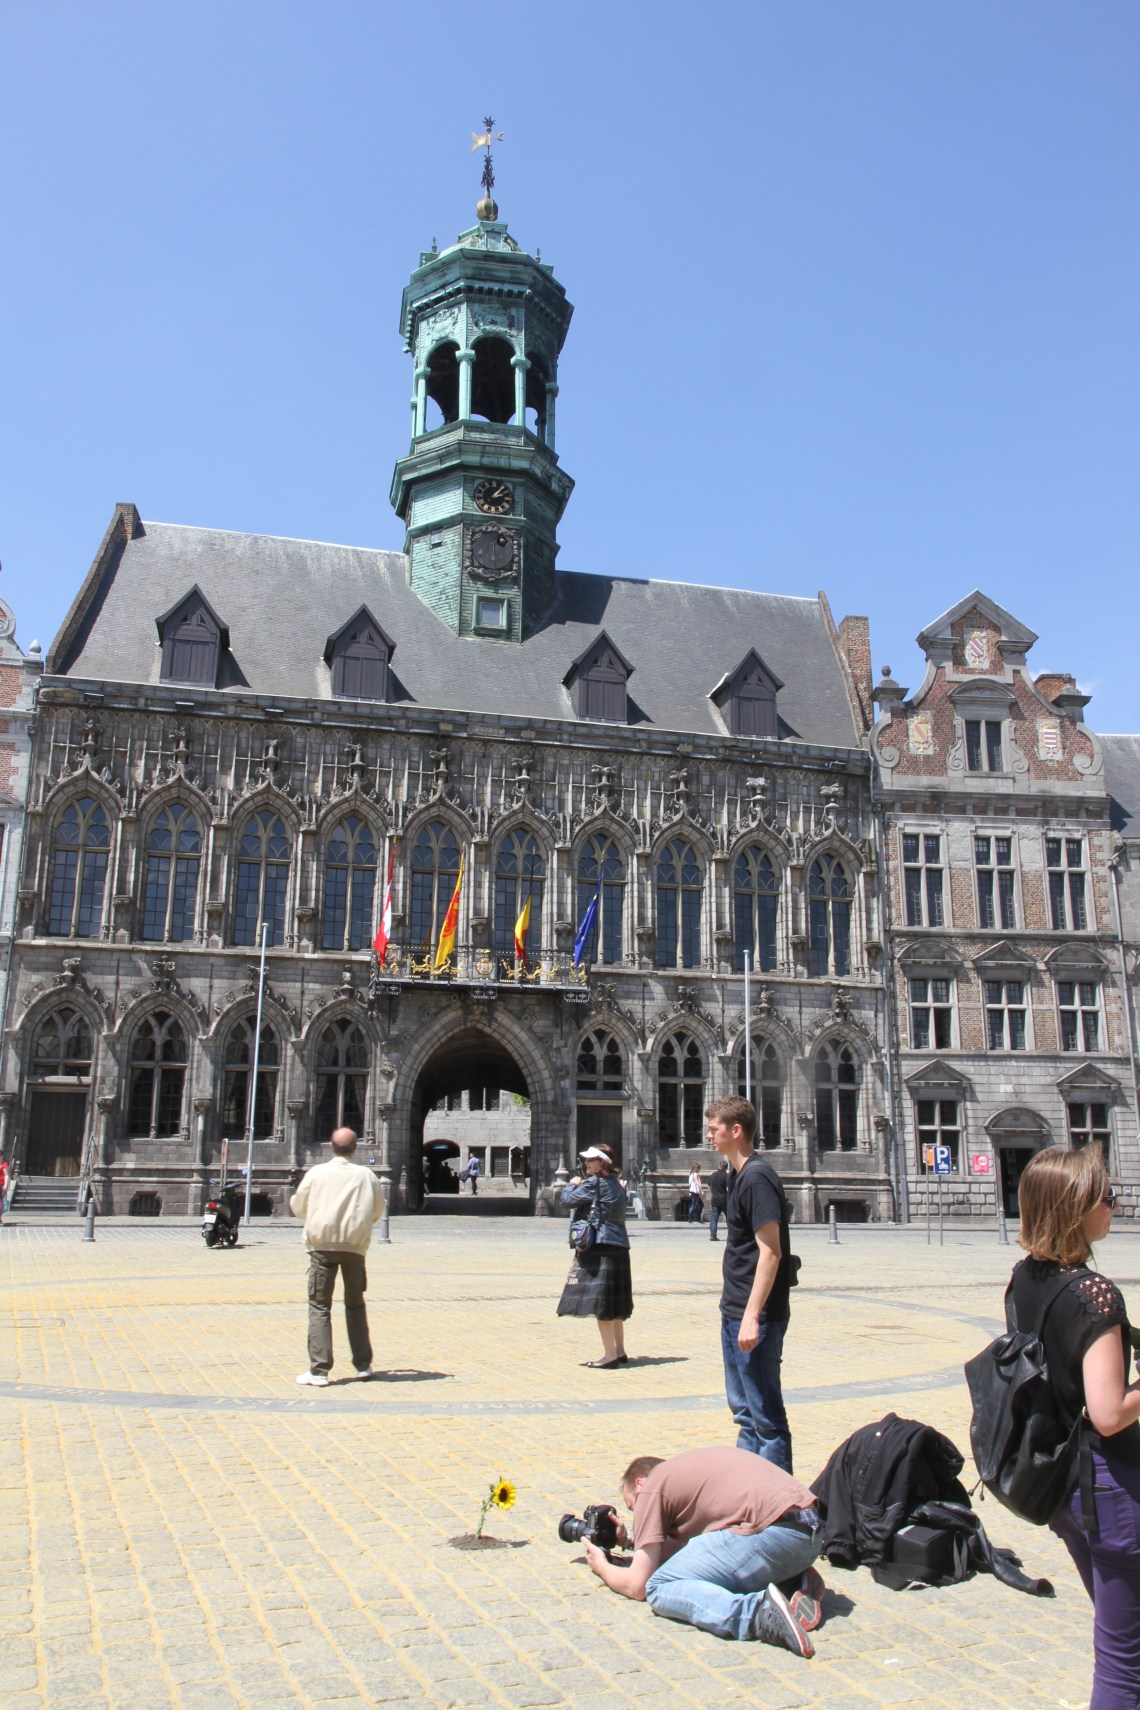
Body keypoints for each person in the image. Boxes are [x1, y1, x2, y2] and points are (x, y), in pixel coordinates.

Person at [1006, 1145, 1140, 1710]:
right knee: (1122, 1664)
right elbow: (1109, 1412)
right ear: (1075, 1208)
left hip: (1061, 1486)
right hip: (1108, 1490)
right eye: (1105, 1195)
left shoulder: (1024, 1279)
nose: (1116, 1202)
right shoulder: (1094, 1294)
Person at [580, 1446, 823, 1655]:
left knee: (659, 1587)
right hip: (808, 1535)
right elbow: (693, 1553)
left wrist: (602, 1566)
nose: (638, 1515)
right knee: (703, 1568)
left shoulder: (653, 1487)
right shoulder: (692, 1471)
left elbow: (637, 1586)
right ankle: (791, 1582)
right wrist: (632, 1541)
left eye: (634, 1507)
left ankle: (757, 1614)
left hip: (772, 1533)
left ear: (640, 1484)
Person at [708, 1095, 795, 1470]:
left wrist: (751, 1316)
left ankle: (780, 1511)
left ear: (736, 1130)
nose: (709, 1136)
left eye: (714, 1130)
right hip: (735, 1309)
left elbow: (771, 1252)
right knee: (745, 1413)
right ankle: (748, 1497)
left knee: (766, 1418)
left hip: (753, 1316)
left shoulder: (757, 1178)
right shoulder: (737, 1176)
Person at [289, 1127, 386, 1387]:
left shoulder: (316, 1173)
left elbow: (298, 1207)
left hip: (322, 1248)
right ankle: (363, 1365)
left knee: (320, 1306)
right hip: (354, 1248)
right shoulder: (366, 1176)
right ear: (355, 1148)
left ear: (331, 1147)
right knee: (355, 1305)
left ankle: (319, 1370)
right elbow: (378, 1210)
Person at [556, 1146, 632, 1368]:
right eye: (586, 1160)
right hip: (619, 1244)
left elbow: (566, 1200)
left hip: (600, 1244)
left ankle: (609, 1355)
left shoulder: (593, 1182)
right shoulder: (617, 1184)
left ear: (602, 1163)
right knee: (615, 1302)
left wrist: (572, 1183)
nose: (586, 1164)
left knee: (601, 1302)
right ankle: (619, 1350)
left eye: (591, 1160)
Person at [708, 1160, 729, 1242]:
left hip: (715, 1199)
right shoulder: (726, 1176)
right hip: (724, 1199)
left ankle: (713, 1235)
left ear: (719, 1166)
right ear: (726, 1167)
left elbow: (709, 1187)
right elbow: (729, 1188)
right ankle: (731, 1236)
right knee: (729, 1218)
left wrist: (714, 1193)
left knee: (714, 1218)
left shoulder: (713, 1175)